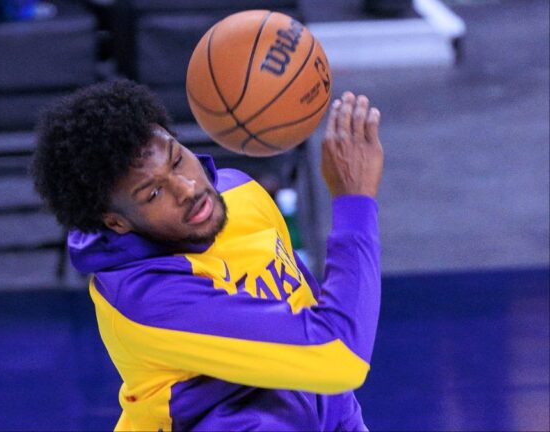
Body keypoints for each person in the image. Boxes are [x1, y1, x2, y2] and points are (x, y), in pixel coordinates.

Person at [31, 79, 383, 431]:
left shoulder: (240, 192)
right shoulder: (148, 299)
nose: (187, 189)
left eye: (177, 159)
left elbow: (312, 327)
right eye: (153, 193)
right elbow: (337, 354)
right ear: (116, 222)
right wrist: (354, 201)